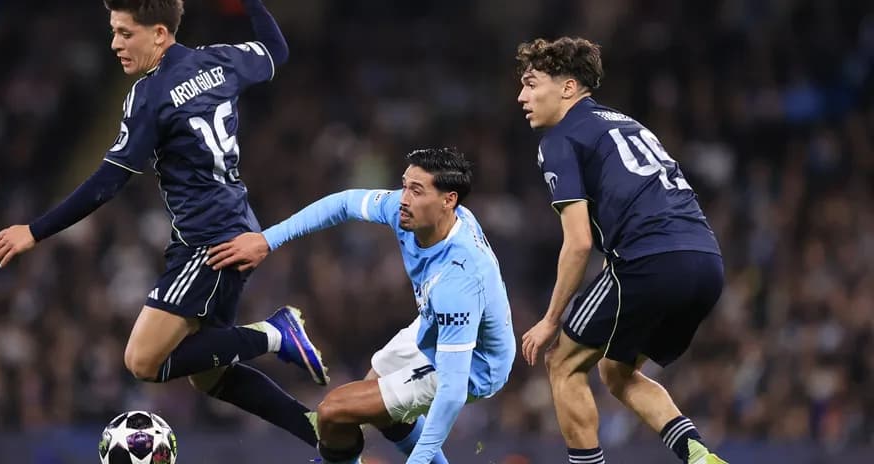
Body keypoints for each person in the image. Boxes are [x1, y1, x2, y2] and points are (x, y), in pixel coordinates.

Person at [0, 0, 328, 447]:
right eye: (113, 32)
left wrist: (34, 231)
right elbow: (275, 50)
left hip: (208, 243)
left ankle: (274, 334)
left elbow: (109, 180)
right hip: (234, 223)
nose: (115, 44)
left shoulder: (151, 94)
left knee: (143, 362)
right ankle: (322, 436)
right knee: (210, 377)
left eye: (126, 34)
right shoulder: (220, 59)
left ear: (160, 34)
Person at [207, 148, 516, 464]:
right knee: (376, 398)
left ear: (448, 200)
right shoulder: (422, 212)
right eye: (405, 185)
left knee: (334, 412)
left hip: (473, 363)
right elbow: (342, 203)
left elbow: (451, 392)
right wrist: (267, 240)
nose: (403, 198)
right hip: (435, 324)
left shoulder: (458, 278)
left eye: (416, 190)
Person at [515, 37, 728, 464]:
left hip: (649, 261)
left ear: (569, 88)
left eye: (531, 83)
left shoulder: (560, 140)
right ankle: (699, 456)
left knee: (563, 363)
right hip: (707, 263)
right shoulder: (629, 124)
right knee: (615, 370)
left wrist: (550, 320)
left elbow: (578, 243)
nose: (522, 96)